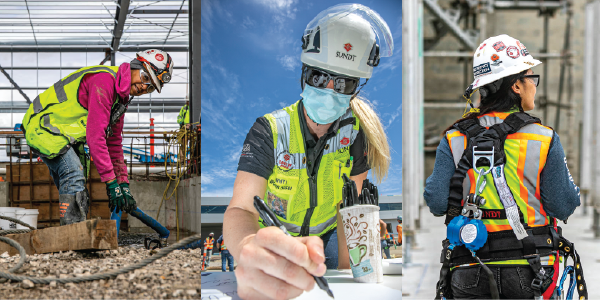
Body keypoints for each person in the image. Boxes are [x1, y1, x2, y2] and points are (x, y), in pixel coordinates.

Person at [223, 4, 394, 300]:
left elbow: (349, 212)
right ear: (304, 72)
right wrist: (249, 246)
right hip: (273, 235)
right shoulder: (269, 129)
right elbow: (242, 208)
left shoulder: (357, 135)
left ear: (355, 88)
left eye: (343, 83)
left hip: (325, 237)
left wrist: (347, 275)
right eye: (318, 77)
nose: (328, 90)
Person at [424, 35, 582, 299]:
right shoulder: (542, 138)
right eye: (532, 77)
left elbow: (437, 201)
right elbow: (563, 205)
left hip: (469, 268)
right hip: (532, 271)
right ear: (517, 85)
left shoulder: (455, 138)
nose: (534, 85)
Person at [21, 49, 174, 225]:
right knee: (73, 174)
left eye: (150, 87)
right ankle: (74, 238)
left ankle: (75, 230)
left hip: (61, 134)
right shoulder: (104, 81)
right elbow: (95, 138)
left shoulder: (120, 102)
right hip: (42, 126)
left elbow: (114, 146)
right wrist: (111, 183)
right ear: (134, 65)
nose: (143, 87)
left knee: (76, 181)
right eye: (145, 78)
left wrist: (123, 185)